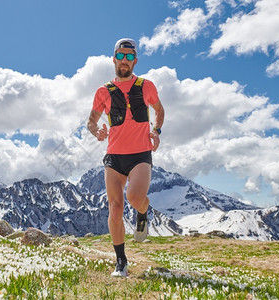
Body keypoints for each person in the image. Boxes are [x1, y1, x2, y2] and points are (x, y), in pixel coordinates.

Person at [87, 38, 165, 277]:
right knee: (115, 206)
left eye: (129, 57)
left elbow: (160, 111)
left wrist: (156, 130)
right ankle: (121, 261)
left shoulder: (146, 86)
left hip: (140, 153)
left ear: (135, 61)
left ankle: (144, 211)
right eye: (121, 56)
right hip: (114, 156)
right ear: (114, 59)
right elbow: (91, 120)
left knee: (134, 196)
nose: (124, 60)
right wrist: (96, 130)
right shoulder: (103, 91)